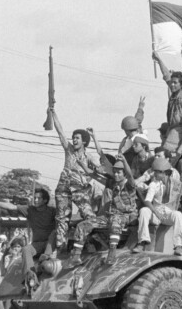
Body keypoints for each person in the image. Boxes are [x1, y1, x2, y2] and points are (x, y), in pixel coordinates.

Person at [48, 107, 98, 251]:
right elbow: (60, 131)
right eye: (74, 137)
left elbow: (100, 170)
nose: (74, 140)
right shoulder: (69, 150)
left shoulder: (89, 157)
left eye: (77, 138)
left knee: (90, 216)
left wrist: (88, 179)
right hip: (63, 187)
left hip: (79, 189)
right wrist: (53, 113)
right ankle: (60, 247)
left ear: (84, 142)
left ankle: (85, 240)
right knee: (62, 218)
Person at [73, 156, 138, 265]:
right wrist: (81, 164)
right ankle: (75, 256)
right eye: (115, 172)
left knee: (115, 220)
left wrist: (124, 160)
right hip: (110, 216)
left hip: (126, 217)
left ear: (124, 173)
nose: (116, 175)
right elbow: (93, 175)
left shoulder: (130, 185)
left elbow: (130, 175)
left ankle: (111, 254)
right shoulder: (113, 184)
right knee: (83, 225)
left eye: (119, 173)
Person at [134, 157, 182, 255]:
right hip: (156, 214)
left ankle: (178, 246)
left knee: (178, 214)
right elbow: (147, 201)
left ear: (165, 173)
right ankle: (142, 242)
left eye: (157, 172)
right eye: (154, 171)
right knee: (144, 210)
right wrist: (156, 212)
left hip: (168, 214)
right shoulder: (153, 184)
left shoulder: (177, 183)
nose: (154, 174)